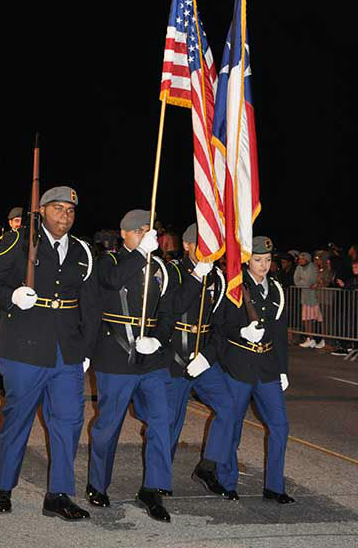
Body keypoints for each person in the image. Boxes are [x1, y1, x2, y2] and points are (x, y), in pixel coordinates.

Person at [0, 186, 95, 521]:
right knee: (18, 419)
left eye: (70, 210)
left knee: (69, 422)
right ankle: (2, 485)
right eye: (57, 208)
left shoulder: (83, 251)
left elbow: (89, 303)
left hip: (67, 351)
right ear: (41, 210)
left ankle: (57, 494)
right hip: (23, 348)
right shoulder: (17, 242)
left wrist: (85, 349)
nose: (64, 216)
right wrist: (12, 295)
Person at [84, 209, 203, 523]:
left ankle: (153, 488)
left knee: (161, 422)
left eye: (149, 231)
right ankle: (97, 484)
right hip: (115, 356)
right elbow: (110, 282)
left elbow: (171, 310)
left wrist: (159, 339)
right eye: (139, 231)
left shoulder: (161, 268)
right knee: (108, 425)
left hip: (151, 358)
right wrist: (138, 255)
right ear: (125, 233)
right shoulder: (109, 260)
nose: (146, 235)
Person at [188, 236, 294, 504]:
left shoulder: (277, 290)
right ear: (247, 260)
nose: (264, 265)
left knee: (280, 426)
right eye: (258, 260)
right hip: (238, 365)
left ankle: (274, 486)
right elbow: (220, 327)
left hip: (267, 367)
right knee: (232, 425)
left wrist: (283, 370)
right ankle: (225, 480)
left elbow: (280, 334)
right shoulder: (234, 286)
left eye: (268, 260)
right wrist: (242, 332)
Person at [149, 223, 236, 500]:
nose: (209, 251)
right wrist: (196, 278)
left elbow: (222, 327)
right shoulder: (172, 272)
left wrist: (208, 357)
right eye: (202, 244)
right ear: (187, 245)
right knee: (170, 421)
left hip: (204, 358)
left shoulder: (220, 279)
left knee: (229, 408)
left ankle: (208, 467)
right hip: (174, 357)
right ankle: (159, 480)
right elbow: (170, 310)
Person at [294, 252, 322, 348]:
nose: (300, 260)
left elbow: (309, 281)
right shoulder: (298, 268)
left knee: (316, 319)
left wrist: (303, 282)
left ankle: (318, 339)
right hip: (305, 297)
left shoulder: (312, 267)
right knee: (306, 318)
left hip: (314, 297)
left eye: (302, 258)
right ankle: (310, 339)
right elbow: (296, 280)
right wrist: (303, 282)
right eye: (300, 259)